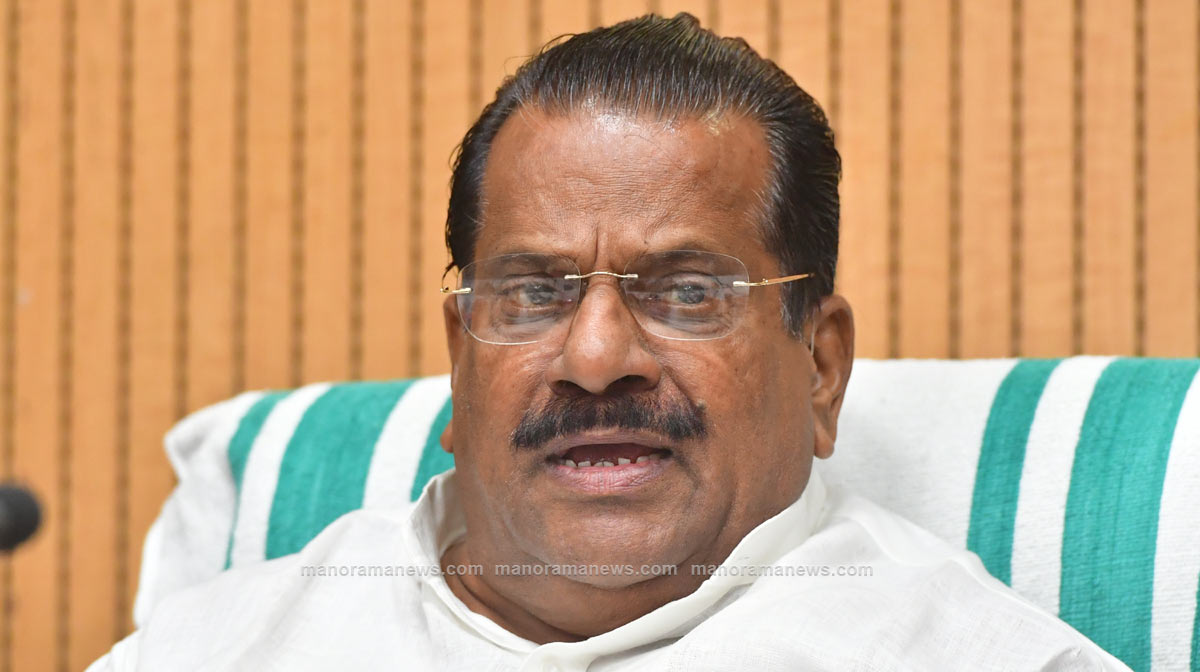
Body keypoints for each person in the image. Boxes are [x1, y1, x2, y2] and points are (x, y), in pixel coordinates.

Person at [90, 13, 1128, 671]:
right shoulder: (213, 647)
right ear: (461, 360)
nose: (595, 359)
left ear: (821, 368)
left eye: (686, 292)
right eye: (533, 293)